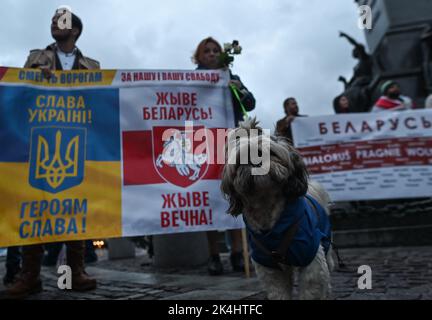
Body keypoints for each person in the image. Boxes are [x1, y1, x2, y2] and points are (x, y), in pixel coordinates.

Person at [5, 7, 99, 298]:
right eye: (52, 20)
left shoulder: (92, 64)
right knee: (35, 207)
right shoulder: (36, 57)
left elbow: (99, 101)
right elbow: (21, 90)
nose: (54, 24)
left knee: (75, 208)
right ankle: (29, 275)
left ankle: (74, 273)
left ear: (75, 29)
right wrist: (37, 76)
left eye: (60, 21)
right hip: (40, 139)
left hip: (77, 141)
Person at [192, 37, 256, 275]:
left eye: (215, 50)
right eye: (206, 51)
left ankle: (239, 253)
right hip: (203, 144)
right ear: (198, 57)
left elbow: (249, 103)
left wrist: (240, 90)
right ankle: (214, 256)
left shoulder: (232, 77)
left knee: (234, 195)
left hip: (232, 142)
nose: (211, 54)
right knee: (208, 198)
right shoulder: (190, 80)